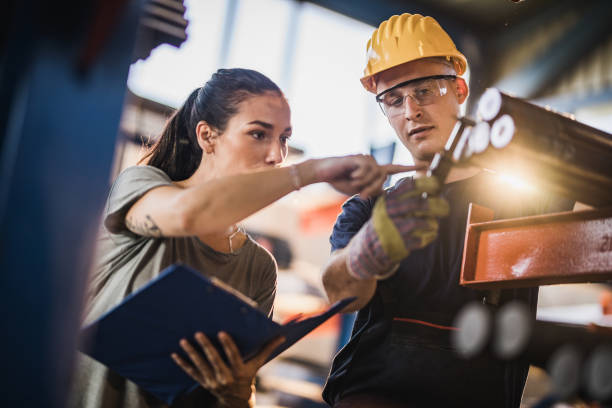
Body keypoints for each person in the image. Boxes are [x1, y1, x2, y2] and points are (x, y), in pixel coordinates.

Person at [69, 68, 414, 408]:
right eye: (258, 134)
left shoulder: (259, 267)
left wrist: (234, 393)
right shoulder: (142, 185)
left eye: (283, 138)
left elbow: (240, 391)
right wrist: (311, 171)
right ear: (207, 136)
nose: (276, 155)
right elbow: (187, 214)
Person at [321, 13, 574, 407]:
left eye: (423, 91)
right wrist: (368, 248)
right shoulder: (369, 208)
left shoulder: (524, 199)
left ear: (459, 89)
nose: (410, 111)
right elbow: (340, 291)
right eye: (393, 100)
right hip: (372, 395)